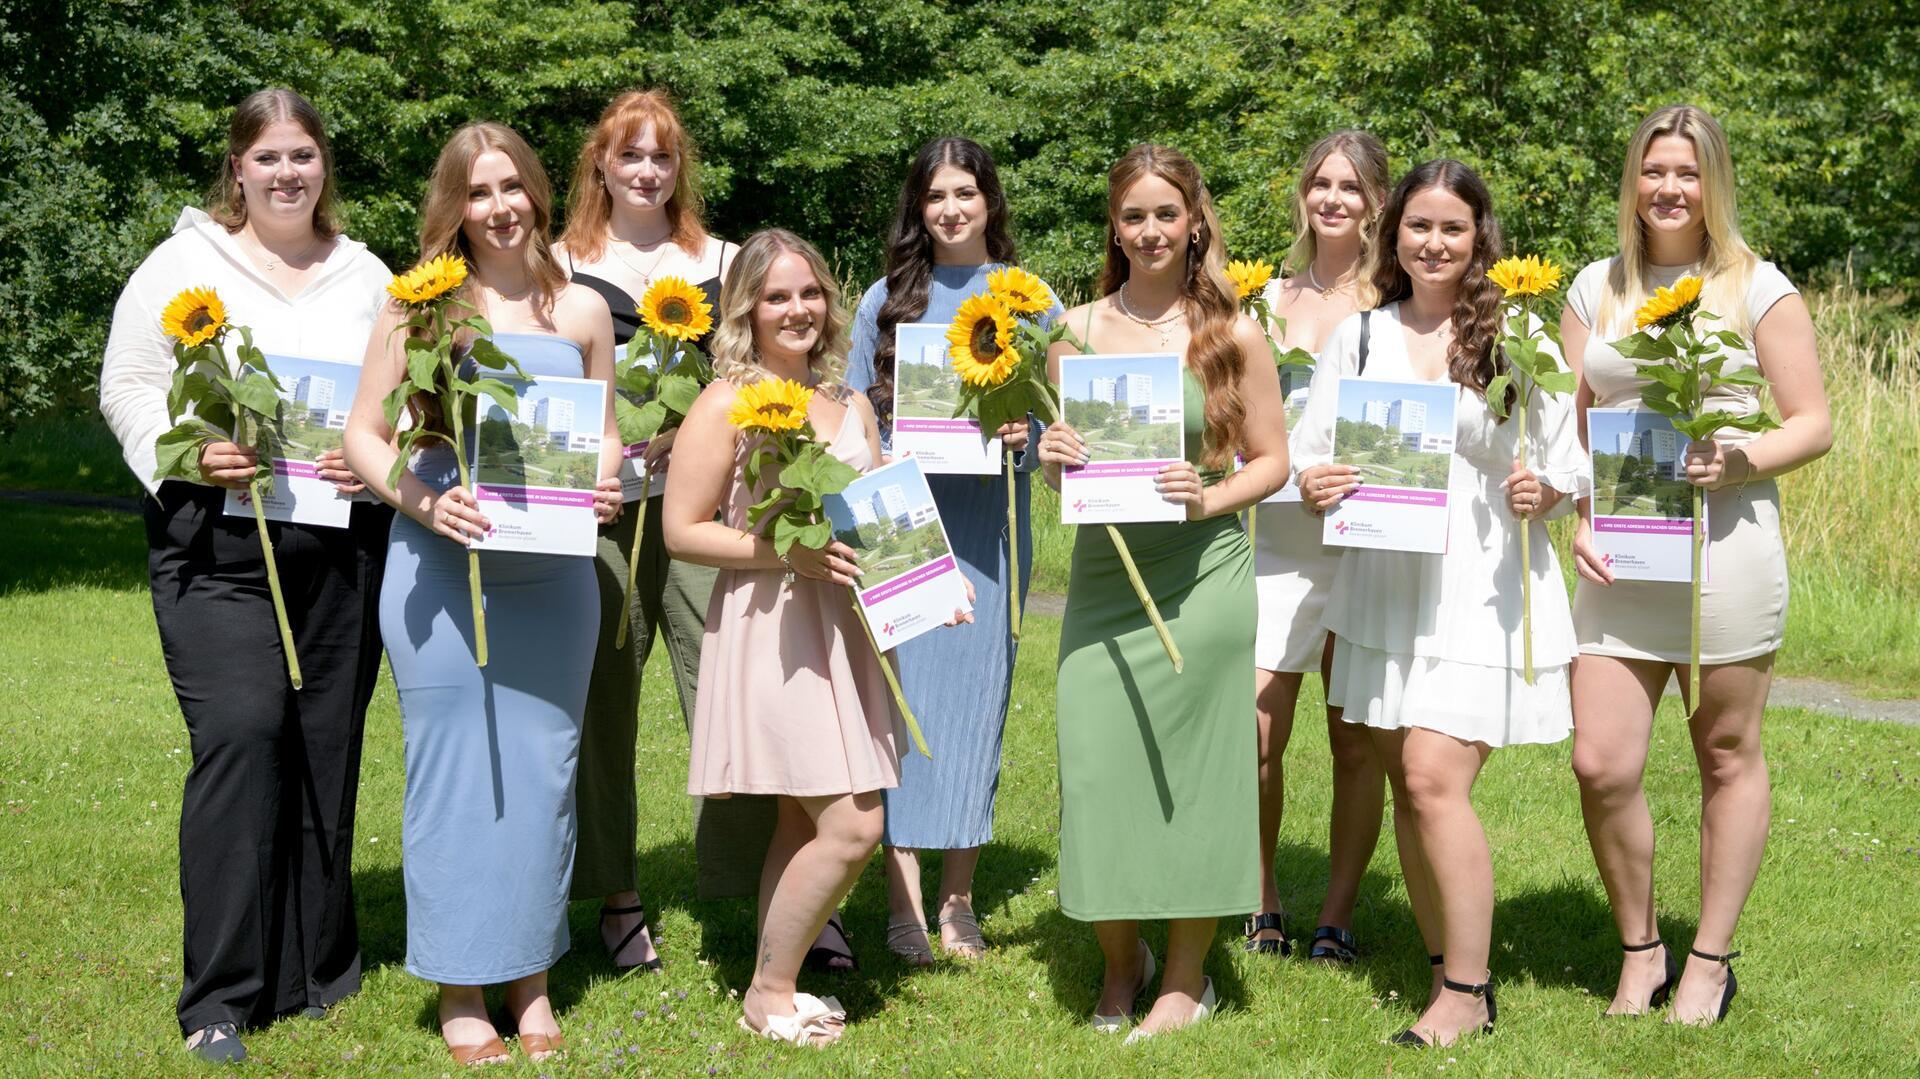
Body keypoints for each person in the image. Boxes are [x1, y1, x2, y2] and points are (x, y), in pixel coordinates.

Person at [99, 88, 395, 1065]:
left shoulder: (367, 276)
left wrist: (376, 455)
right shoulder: (183, 265)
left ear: (324, 167)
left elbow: (397, 402)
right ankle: (219, 997)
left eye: (302, 156)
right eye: (267, 157)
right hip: (214, 549)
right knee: (243, 729)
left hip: (342, 547)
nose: (285, 173)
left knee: (324, 744)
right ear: (237, 168)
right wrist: (184, 448)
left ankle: (317, 968)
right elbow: (129, 385)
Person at [342, 122, 622, 1065]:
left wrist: (610, 477)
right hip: (441, 572)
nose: (498, 207)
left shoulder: (581, 311)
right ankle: (462, 987)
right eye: (477, 191)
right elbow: (363, 435)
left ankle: (532, 979)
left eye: (512, 187)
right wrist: (420, 499)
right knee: (456, 776)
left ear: (539, 194)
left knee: (544, 774)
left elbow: (606, 430)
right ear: (453, 206)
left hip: (554, 579)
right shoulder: (417, 306)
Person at [1293, 159, 1582, 1048]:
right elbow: (1311, 454)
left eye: (1452, 227)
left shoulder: (1519, 334)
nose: (1434, 242)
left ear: (1479, 237)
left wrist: (1549, 490)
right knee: (1412, 792)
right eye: (1418, 225)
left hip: (1482, 585)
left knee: (1430, 777)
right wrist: (1321, 481)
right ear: (1395, 233)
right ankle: (1441, 968)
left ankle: (1467, 988)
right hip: (1385, 586)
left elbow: (1568, 457)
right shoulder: (1361, 337)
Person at [1564, 105, 1829, 1025]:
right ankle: (1642, 949)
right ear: (1632, 180)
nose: (1668, 188)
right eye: (1652, 170)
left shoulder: (1760, 287)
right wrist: (1575, 517)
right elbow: (1574, 423)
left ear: (1713, 182)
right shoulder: (1594, 286)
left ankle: (1710, 960)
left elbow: (1812, 423)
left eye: (1686, 172)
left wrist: (1744, 455)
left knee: (1724, 750)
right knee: (1600, 761)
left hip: (1727, 551)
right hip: (1620, 555)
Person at [1035, 144, 1288, 1041]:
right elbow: (1065, 477)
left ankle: (1186, 980)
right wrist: (1049, 457)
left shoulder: (1233, 332)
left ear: (1194, 224)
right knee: (1099, 770)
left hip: (1206, 579)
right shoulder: (1069, 331)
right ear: (1115, 225)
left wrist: (1207, 495)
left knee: (1199, 776)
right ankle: (1121, 960)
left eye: (1166, 215)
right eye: (1133, 215)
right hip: (1105, 584)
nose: (1149, 231)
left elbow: (1274, 460)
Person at [663, 228, 930, 1046]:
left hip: (846, 629)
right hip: (772, 626)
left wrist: (928, 588)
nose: (797, 309)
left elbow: (878, 519)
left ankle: (780, 972)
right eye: (777, 296)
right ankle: (768, 990)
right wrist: (790, 555)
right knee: (853, 823)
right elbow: (681, 530)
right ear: (747, 307)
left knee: (797, 820)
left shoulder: (852, 404)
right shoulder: (724, 403)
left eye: (809, 292)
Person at [845, 136, 1061, 964]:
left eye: (965, 192)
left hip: (988, 524)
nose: (951, 209)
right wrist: (886, 447)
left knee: (973, 707)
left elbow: (1055, 434)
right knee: (899, 710)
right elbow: (857, 421)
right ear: (918, 207)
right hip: (903, 527)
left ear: (990, 200)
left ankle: (958, 900)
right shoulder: (882, 301)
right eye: (935, 196)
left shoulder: (1030, 299)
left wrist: (1027, 432)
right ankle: (901, 903)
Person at [553, 88, 739, 972]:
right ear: (601, 163)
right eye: (630, 155)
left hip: (705, 512)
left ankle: (762, 878)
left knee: (731, 686)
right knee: (603, 701)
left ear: (679, 169)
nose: (647, 171)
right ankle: (615, 892)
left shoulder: (725, 261)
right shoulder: (555, 267)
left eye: (662, 156)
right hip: (606, 514)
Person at [1244, 129, 1391, 963]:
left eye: (1351, 186)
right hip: (1277, 542)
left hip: (1363, 542)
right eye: (1320, 184)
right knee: (1257, 731)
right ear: (1303, 195)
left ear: (1376, 201)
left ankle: (1338, 911)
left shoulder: (1397, 303)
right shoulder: (1262, 297)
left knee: (1353, 735)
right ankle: (1260, 893)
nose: (1333, 198)